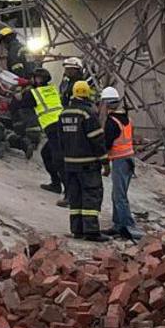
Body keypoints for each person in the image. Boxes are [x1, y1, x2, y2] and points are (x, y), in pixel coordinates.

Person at [59, 80, 109, 242]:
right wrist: (105, 162)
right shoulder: (88, 114)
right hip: (88, 163)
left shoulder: (63, 113)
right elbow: (97, 140)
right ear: (87, 94)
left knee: (75, 196)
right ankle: (92, 231)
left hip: (70, 163)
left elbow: (60, 139)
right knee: (91, 195)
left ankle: (77, 230)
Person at [14, 67, 65, 198]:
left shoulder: (34, 94)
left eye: (34, 78)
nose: (32, 80)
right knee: (47, 153)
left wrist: (18, 92)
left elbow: (21, 103)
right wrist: (27, 83)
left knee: (58, 159)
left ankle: (69, 192)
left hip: (53, 127)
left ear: (38, 79)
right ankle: (56, 184)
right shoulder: (52, 89)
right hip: (60, 125)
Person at [100, 87, 142, 240]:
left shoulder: (112, 123)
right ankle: (118, 224)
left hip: (120, 160)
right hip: (128, 159)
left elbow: (107, 144)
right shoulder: (127, 120)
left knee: (119, 195)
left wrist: (103, 162)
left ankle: (127, 226)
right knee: (118, 194)